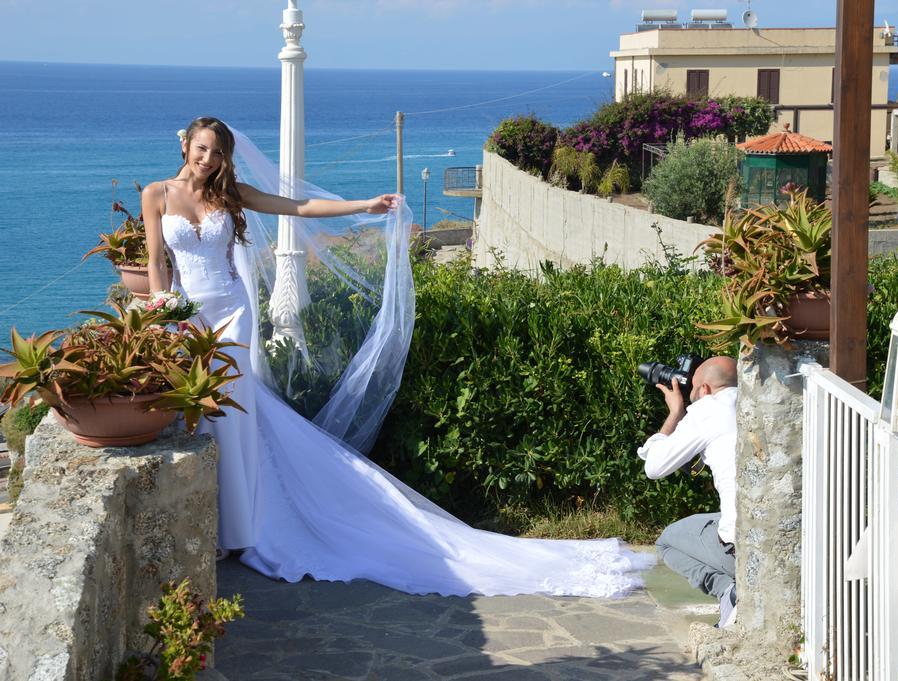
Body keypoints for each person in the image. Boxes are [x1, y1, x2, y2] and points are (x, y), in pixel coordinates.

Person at [139, 116, 653, 597]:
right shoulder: (156, 194)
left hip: (232, 312)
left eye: (216, 151)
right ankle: (217, 521)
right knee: (198, 417)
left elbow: (297, 209)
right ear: (186, 146)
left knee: (230, 413)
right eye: (201, 148)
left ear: (225, 157)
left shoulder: (232, 196)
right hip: (184, 315)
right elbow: (155, 262)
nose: (207, 158)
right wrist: (164, 313)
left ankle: (236, 531)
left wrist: (362, 205)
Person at [636, 356, 739, 627]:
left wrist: (675, 412)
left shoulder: (709, 410)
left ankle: (731, 592)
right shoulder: (755, 402)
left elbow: (654, 467)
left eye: (691, 388)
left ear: (704, 389)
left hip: (740, 549)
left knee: (668, 541)